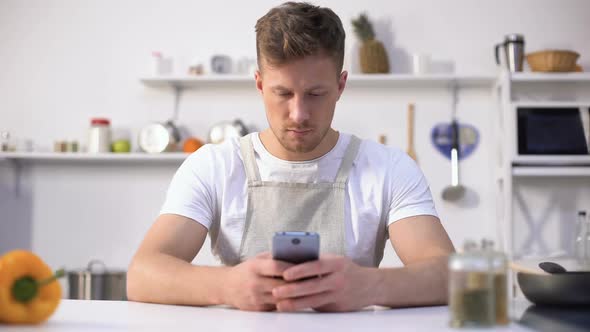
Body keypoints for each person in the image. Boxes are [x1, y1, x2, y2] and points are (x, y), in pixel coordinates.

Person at [127, 1, 455, 312]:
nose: (298, 114)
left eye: (316, 94)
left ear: (341, 86)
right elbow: (143, 274)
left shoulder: (389, 168)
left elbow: (452, 276)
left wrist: (372, 286)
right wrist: (227, 285)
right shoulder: (214, 166)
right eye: (282, 93)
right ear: (259, 83)